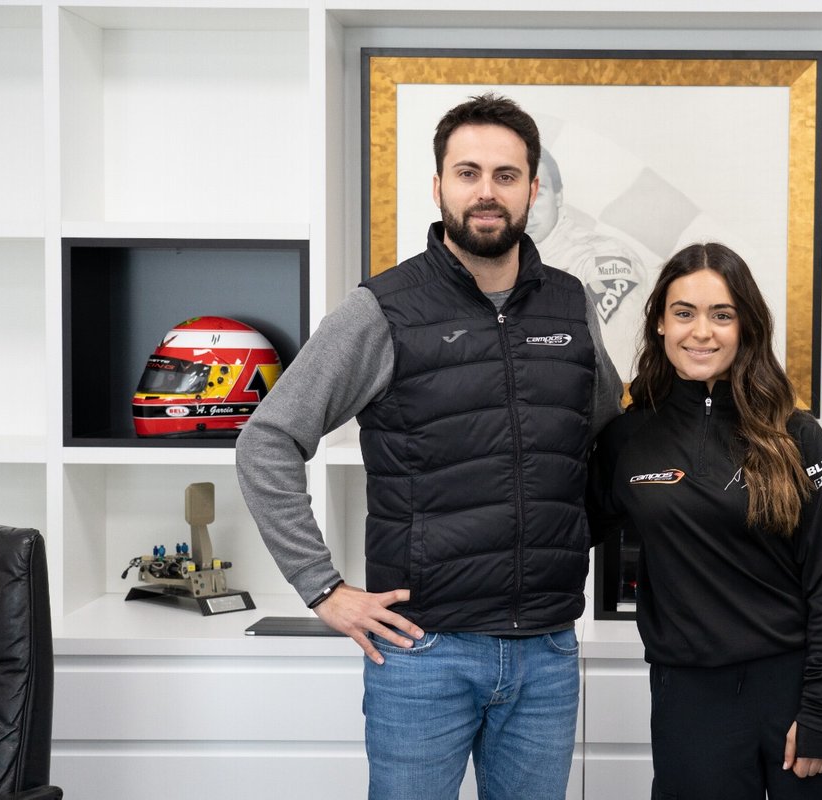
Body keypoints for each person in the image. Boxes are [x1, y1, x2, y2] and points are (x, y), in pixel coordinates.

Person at [236, 93, 621, 800]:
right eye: (467, 172)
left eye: (506, 176)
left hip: (547, 652)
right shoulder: (382, 309)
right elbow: (266, 441)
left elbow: (603, 438)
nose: (486, 192)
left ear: (534, 190)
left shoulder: (570, 305)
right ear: (438, 184)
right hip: (423, 654)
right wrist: (323, 589)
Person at [587, 242, 822, 799]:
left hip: (797, 691)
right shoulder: (627, 439)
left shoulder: (796, 434)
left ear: (746, 326)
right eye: (684, 313)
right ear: (658, 325)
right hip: (691, 704)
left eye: (722, 315)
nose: (702, 332)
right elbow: (563, 533)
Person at [526, 146, 651, 377]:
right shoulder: (500, 266)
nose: (528, 209)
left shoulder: (603, 259)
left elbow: (617, 362)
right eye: (520, 195)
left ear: (558, 196)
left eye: (538, 193)